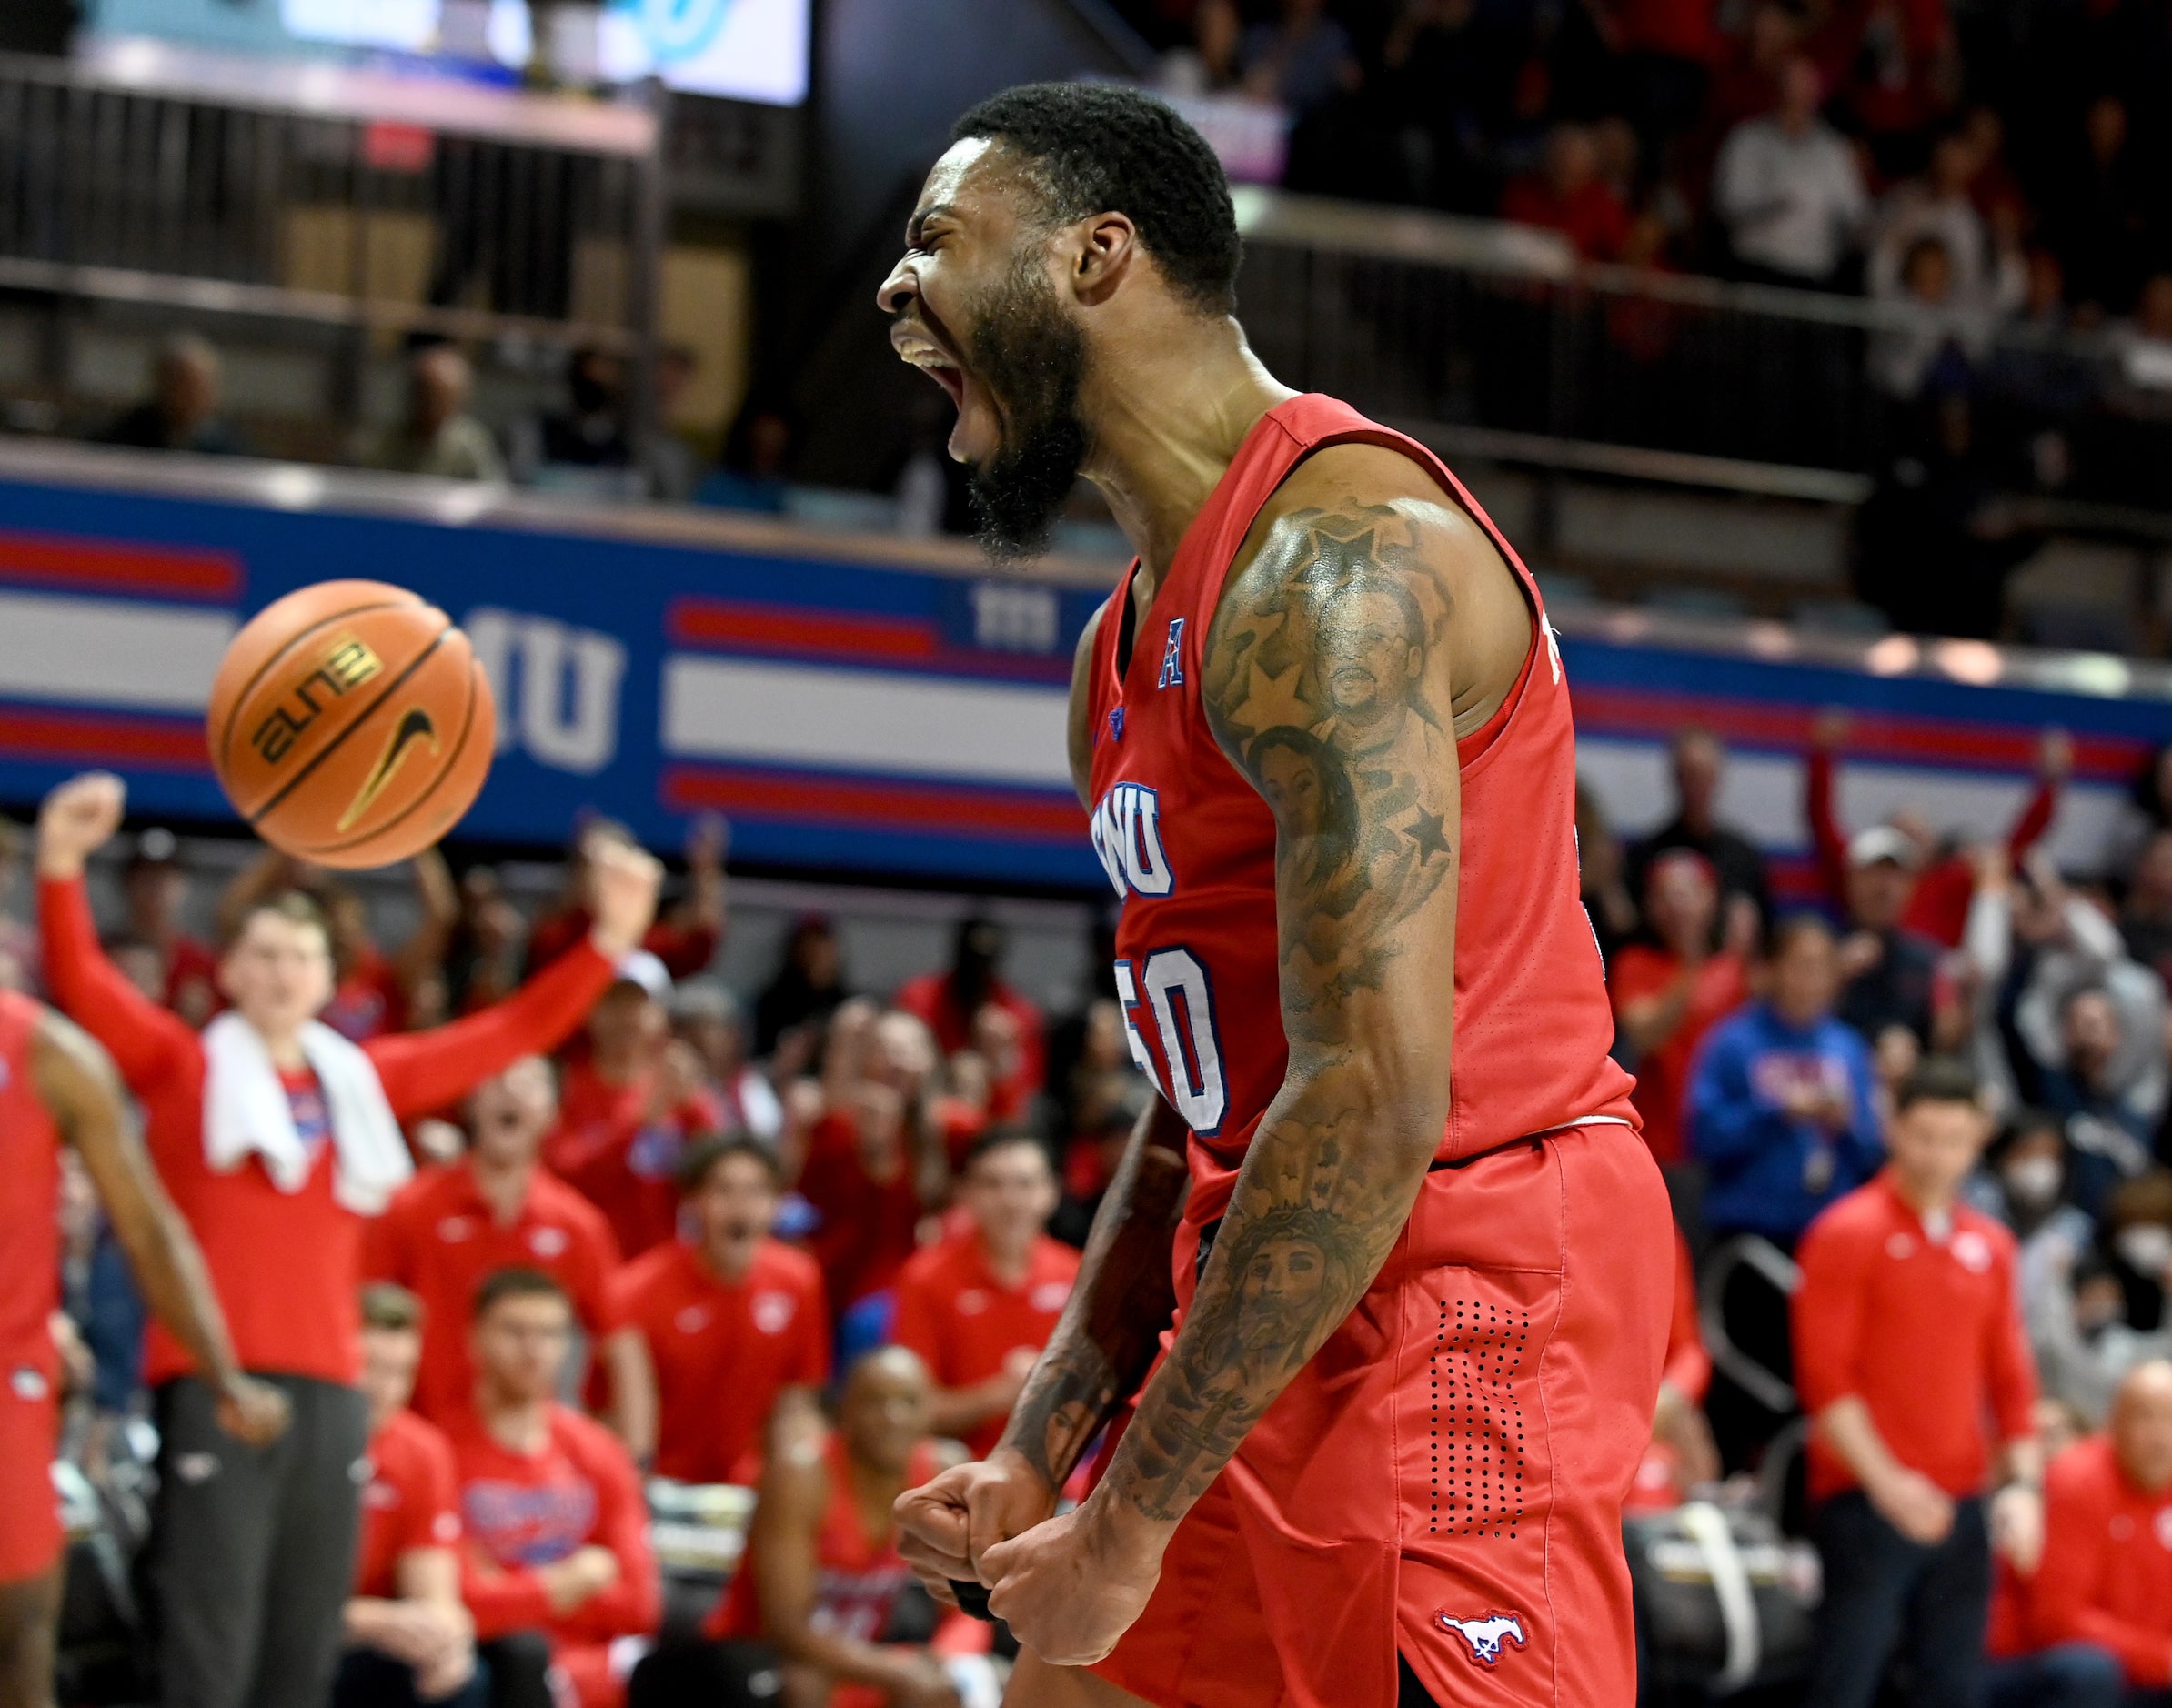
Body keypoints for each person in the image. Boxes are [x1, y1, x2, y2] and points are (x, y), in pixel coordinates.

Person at [880, 82, 1670, 1707]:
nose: (896, 290)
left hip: (1465, 1263)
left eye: (937, 241)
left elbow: (1371, 1095)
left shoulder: (1334, 569)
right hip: (1274, 1266)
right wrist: (1049, 1443)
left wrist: (1127, 1516)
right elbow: (1199, 1102)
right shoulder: (1116, 652)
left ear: (1097, 258)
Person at [33, 770, 659, 1708]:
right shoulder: (184, 1068)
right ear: (230, 971)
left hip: (334, 1390)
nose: (282, 970)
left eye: (300, 956)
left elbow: (509, 1032)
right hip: (217, 1381)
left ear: (332, 979)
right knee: (210, 1640)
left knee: (301, 1644)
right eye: (264, 953)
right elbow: (84, 984)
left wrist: (610, 941)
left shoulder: (360, 1084)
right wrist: (61, 867)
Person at [0, 990, 287, 1708]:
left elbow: (148, 1228)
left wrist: (224, 1373)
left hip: (10, 1379)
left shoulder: (49, 1054)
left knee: (19, 1639)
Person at [1792, 1057, 2042, 1708]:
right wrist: (1888, 1483)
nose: (1937, 1155)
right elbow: (1826, 1381)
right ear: (1895, 1128)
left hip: (1963, 1501)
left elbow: (2011, 1378)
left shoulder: (1992, 1245)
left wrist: (2024, 1486)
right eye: (1924, 1135)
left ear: (1977, 1140)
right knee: (1845, 1682)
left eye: (1954, 1139)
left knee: (1955, 1687)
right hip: (1867, 1499)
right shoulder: (1847, 1232)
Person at [365, 1057, 653, 1452]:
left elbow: (621, 1342)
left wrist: (635, 1459)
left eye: (530, 1082)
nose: (511, 1090)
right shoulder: (410, 1208)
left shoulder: (577, 1225)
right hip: (424, 1441)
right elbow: (360, 1318)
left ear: (552, 1115)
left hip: (526, 1457)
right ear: (471, 1102)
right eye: (496, 1077)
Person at [697, 1347, 965, 1708]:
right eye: (875, 1402)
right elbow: (787, 1628)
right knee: (806, 1686)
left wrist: (941, 1660)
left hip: (856, 1652)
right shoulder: (799, 1477)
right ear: (844, 1412)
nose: (893, 1417)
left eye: (909, 1402)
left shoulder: (940, 1474)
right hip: (757, 1650)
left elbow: (967, 1606)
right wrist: (894, 1671)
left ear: (930, 1413)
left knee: (939, 1689)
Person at [447, 1269, 659, 1708]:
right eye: (514, 1331)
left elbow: (640, 1603)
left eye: (549, 1334)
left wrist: (508, 1586)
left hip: (595, 1668)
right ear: (474, 1339)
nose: (533, 1350)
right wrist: (573, 1579)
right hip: (500, 1665)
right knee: (522, 1652)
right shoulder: (442, 1451)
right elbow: (462, 1601)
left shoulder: (598, 1450)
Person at [612, 1135, 828, 1486]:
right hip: (660, 1483)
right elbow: (611, 1412)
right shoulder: (636, 1290)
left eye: (757, 1191)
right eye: (724, 1190)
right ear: (694, 1202)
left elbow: (796, 1402)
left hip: (753, 1488)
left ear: (777, 1205)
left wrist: (788, 1479)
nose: (740, 1206)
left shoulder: (799, 1281)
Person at [1689, 914, 1885, 1249]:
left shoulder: (1847, 1047)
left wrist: (1846, 1123)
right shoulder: (1732, 1042)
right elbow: (1703, 1135)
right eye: (1802, 966)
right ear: (1772, 970)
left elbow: (1872, 1148)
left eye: (1823, 967)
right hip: (1750, 1229)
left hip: (1831, 1227)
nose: (1812, 980)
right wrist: (1777, 1112)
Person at [1986, 1360, 2172, 1708]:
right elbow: (2056, 1621)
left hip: (2139, 1666)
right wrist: (2161, 1659)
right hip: (2030, 1662)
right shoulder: (2076, 1481)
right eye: (2146, 1417)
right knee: (2089, 1672)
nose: (2161, 1436)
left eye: (2170, 1420)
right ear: (2113, 1423)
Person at [892, 1130, 1081, 1458]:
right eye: (992, 1184)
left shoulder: (1078, 1273)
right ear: (965, 1193)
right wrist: (1001, 1394)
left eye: (1025, 1184)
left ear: (1050, 1191)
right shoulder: (925, 1278)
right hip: (957, 1465)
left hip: (1061, 1466)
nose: (1010, 1200)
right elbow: (912, 1409)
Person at [338, 1284, 481, 1708]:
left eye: (401, 1372)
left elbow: (436, 1590)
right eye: (370, 1366)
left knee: (462, 1678)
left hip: (377, 1639)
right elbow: (277, 1610)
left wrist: (447, 1641)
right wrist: (376, 1620)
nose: (384, 1388)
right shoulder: (298, 1442)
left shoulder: (422, 1450)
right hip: (303, 1642)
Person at [547, 954, 724, 1260]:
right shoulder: (563, 1086)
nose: (625, 1016)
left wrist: (695, 1108)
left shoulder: (681, 1090)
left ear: (661, 1016)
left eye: (638, 1004)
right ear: (589, 1011)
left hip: (659, 1267)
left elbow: (717, 1173)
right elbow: (565, 1177)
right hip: (582, 1261)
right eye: (611, 1002)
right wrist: (640, 1122)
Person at [1609, 849, 1755, 1167]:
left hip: (1728, 1151)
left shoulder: (1738, 971)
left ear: (1712, 898)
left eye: (1688, 892)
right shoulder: (1634, 965)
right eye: (1664, 895)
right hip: (1658, 1147)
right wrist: (1690, 967)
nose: (1677, 905)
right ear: (1649, 905)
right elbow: (1645, 1035)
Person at [1711, 55, 1869, 287]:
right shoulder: (1746, 140)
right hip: (1753, 270)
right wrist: (1774, 204)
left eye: (1803, 85)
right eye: (1789, 83)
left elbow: (1855, 214)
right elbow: (1727, 206)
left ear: (1816, 92)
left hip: (1811, 277)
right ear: (1776, 87)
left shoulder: (1834, 151)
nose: (1795, 94)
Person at [895, 918, 1046, 1121]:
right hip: (921, 1113)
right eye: (970, 961)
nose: (977, 972)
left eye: (985, 963)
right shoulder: (919, 998)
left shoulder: (1019, 1013)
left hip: (993, 1123)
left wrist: (999, 1060)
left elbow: (1026, 1092)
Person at [1624, 726, 1772, 928]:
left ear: (1718, 777)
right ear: (1675, 777)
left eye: (1704, 774)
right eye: (1689, 773)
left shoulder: (1743, 857)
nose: (1696, 785)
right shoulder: (1646, 855)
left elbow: (1766, 932)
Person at [359, 345, 507, 483]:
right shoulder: (389, 442)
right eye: (425, 396)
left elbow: (493, 495)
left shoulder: (471, 443)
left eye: (441, 399)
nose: (431, 406)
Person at [122, 827, 220, 1027]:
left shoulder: (201, 963)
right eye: (146, 876)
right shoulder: (104, 954)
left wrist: (199, 1018)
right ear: (127, 883)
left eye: (165, 877)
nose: (155, 887)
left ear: (182, 884)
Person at [94, 333, 249, 457]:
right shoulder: (126, 437)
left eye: (201, 387)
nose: (194, 396)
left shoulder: (225, 446)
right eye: (185, 386)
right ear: (161, 384)